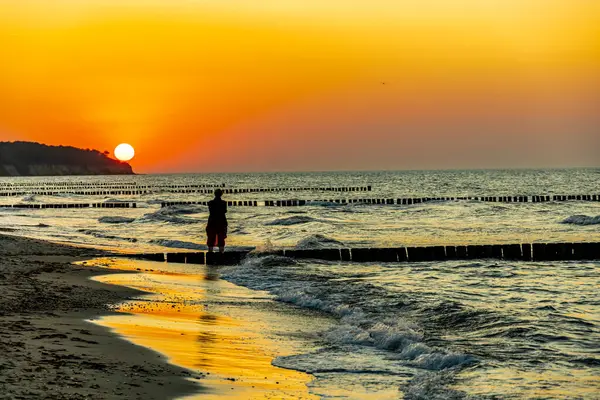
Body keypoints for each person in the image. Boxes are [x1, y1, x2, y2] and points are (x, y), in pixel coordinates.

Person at [206, 189, 227, 254]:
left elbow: (211, 212)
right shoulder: (224, 203)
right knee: (221, 239)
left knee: (211, 239)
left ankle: (210, 254)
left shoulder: (210, 203)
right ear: (221, 194)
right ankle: (221, 255)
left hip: (212, 222)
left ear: (214, 194)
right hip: (221, 221)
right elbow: (224, 212)